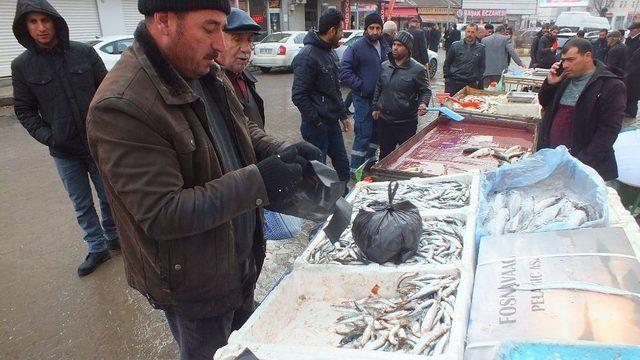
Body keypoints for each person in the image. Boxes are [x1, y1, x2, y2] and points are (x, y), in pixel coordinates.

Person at [86, 1, 322, 358]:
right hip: (193, 283)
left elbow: (242, 131)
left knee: (249, 346)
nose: (221, 45)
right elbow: (164, 212)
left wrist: (282, 152)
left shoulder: (203, 71)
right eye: (210, 28)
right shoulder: (123, 105)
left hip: (238, 259)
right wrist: (260, 181)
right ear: (164, 22)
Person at [11, 0, 118, 277]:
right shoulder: (22, 66)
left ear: (55, 21)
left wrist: (107, 129)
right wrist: (49, 137)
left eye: (44, 20)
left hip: (96, 143)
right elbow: (24, 110)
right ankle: (97, 247)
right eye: (32, 22)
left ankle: (114, 235)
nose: (41, 28)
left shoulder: (83, 53)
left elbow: (107, 91)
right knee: (81, 203)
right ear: (25, 27)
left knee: (109, 194)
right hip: (63, 150)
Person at [537, 39, 625, 181]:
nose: (565, 65)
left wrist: (579, 163)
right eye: (563, 60)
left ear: (588, 56)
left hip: (585, 169)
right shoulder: (565, 78)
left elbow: (608, 131)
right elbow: (544, 102)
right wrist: (550, 84)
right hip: (555, 161)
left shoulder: (611, 85)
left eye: (571, 60)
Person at [292, 9, 352, 184]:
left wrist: (343, 116)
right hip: (316, 127)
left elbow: (334, 90)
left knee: (343, 167)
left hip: (332, 123)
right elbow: (298, 95)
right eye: (341, 31)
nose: (342, 36)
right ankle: (320, 208)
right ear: (332, 30)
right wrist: (316, 121)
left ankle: (342, 199)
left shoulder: (331, 53)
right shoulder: (307, 56)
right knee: (318, 174)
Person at [340, 13, 389, 175]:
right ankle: (355, 170)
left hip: (380, 101)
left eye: (378, 28)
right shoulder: (356, 47)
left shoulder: (385, 46)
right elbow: (345, 71)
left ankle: (370, 161)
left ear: (382, 29)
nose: (375, 31)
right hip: (363, 99)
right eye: (371, 28)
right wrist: (361, 87)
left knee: (376, 133)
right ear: (366, 29)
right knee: (363, 134)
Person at [372, 31, 431, 159]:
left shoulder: (418, 69)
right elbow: (379, 87)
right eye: (394, 44)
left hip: (406, 122)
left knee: (406, 157)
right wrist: (376, 107)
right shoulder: (384, 66)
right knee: (385, 156)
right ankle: (383, 178)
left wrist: (423, 103)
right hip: (385, 121)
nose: (395, 48)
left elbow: (425, 90)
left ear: (408, 48)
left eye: (399, 45)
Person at [216, 8, 265, 128]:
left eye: (250, 40)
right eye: (237, 39)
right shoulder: (207, 83)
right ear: (217, 40)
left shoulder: (246, 78)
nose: (247, 49)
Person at [443, 23, 485, 95]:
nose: (470, 34)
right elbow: (447, 64)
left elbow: (481, 66)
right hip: (454, 83)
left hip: (471, 84)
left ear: (476, 33)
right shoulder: (455, 46)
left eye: (472, 32)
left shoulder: (481, 48)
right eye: (468, 32)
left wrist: (478, 80)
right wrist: (448, 80)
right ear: (465, 32)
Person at [625, 22, 640, 118]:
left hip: (636, 71)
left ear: (638, 29)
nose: (630, 32)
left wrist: (633, 69)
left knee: (633, 92)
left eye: (632, 30)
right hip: (628, 68)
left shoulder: (638, 40)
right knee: (627, 90)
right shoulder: (629, 39)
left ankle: (632, 111)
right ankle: (626, 109)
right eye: (630, 30)